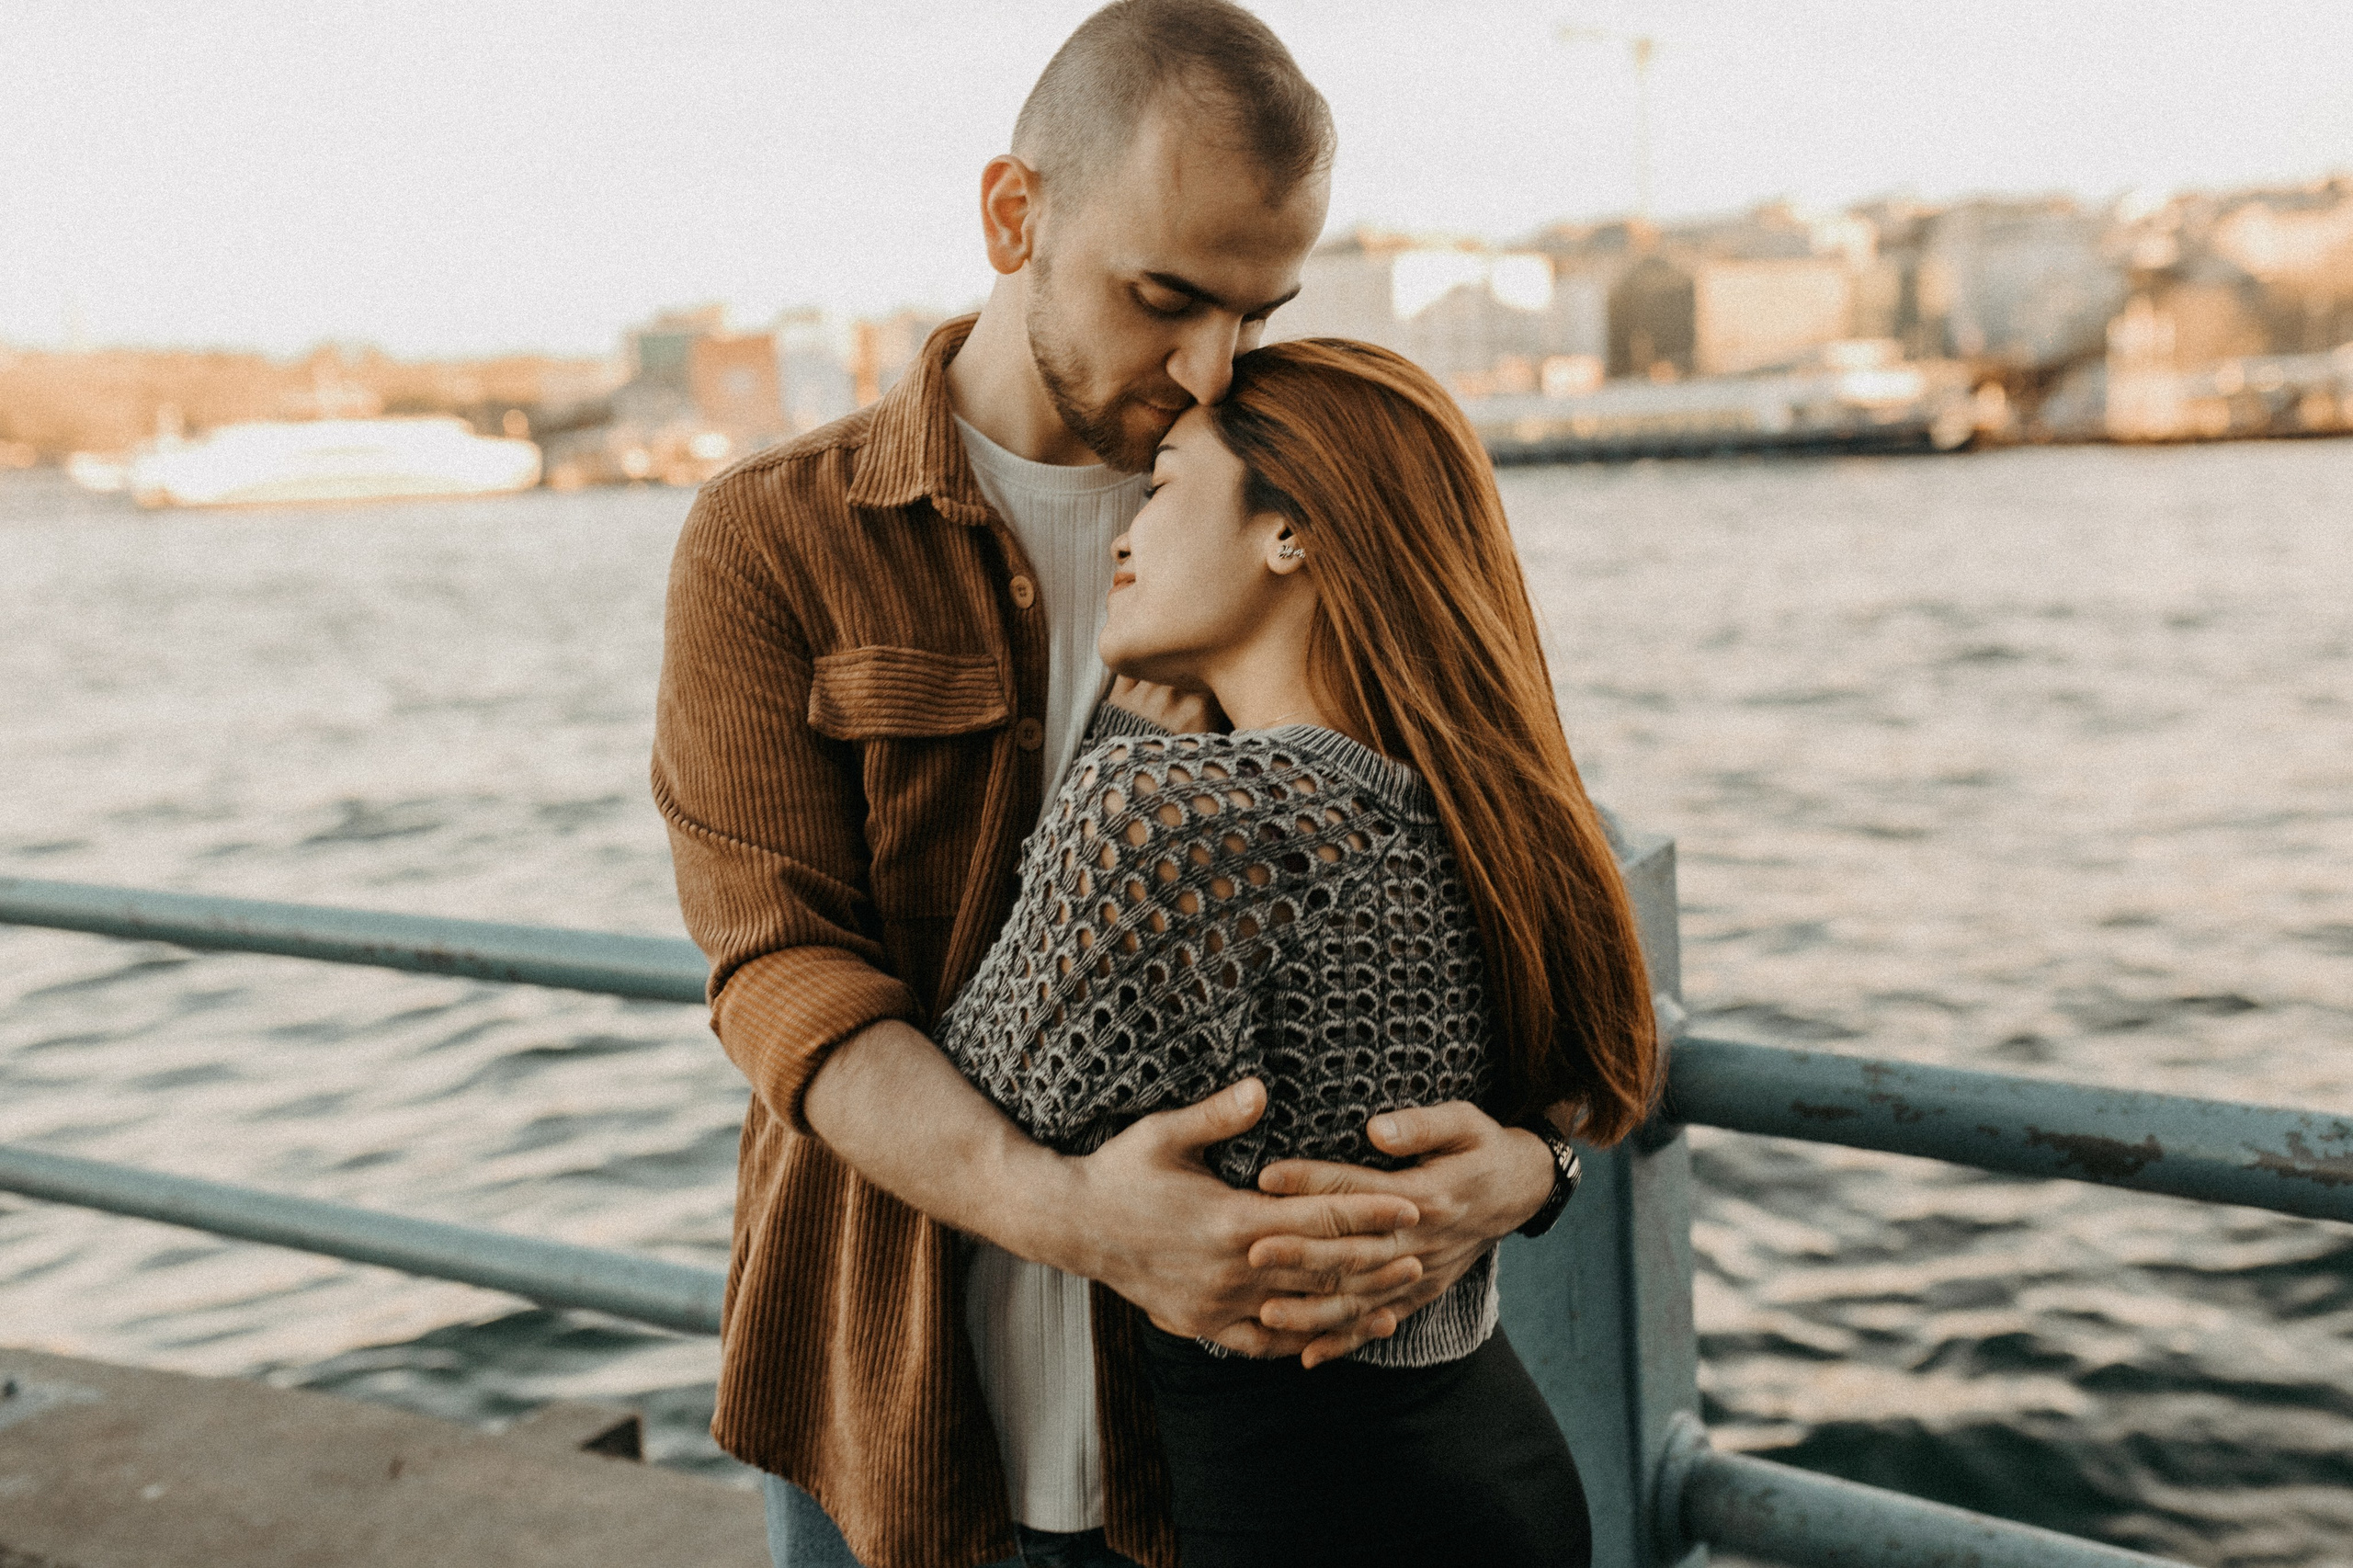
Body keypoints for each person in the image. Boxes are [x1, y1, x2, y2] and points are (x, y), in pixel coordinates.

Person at [653, 4, 1578, 1564]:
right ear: (1016, 214)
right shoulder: (778, 537)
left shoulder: (1318, 505)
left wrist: (1533, 1162)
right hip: (893, 1406)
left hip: (1232, 1458)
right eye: (1165, 297)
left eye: (1257, 311)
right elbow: (778, 974)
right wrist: (1084, 1218)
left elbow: (1513, 877)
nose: (1209, 364)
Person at [931, 337, 1660, 1567]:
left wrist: (1109, 750)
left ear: (1291, 532)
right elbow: (1597, 1079)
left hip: (1309, 1515)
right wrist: (1540, 1167)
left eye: (1161, 486)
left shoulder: (1167, 819)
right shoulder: (1494, 812)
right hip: (1507, 1475)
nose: (1123, 534)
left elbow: (971, 1084)